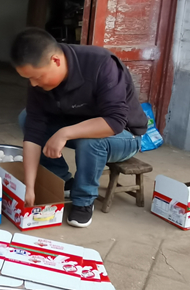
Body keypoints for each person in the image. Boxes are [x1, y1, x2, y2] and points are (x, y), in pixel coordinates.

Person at [10, 28, 148, 228]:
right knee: (26, 117)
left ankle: (83, 200)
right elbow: (33, 131)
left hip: (124, 136)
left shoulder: (102, 64)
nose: (33, 84)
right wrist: (29, 187)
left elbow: (115, 122)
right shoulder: (38, 82)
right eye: (28, 78)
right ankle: (65, 181)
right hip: (78, 126)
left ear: (56, 61)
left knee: (89, 140)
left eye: (37, 77)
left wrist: (64, 133)